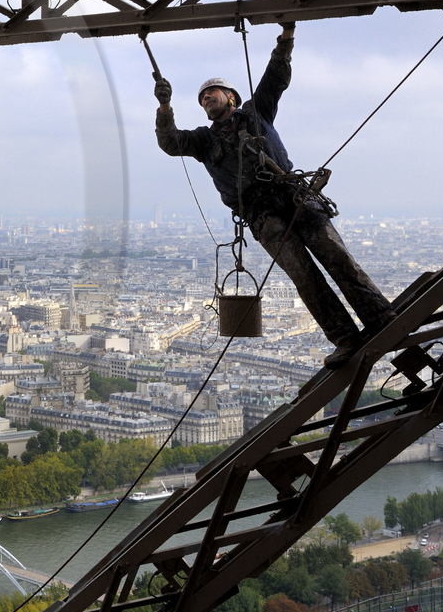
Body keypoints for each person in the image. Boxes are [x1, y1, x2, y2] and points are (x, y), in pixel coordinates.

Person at [153, 22, 394, 366]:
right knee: (305, 277)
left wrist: (286, 37)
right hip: (264, 215)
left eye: (213, 93)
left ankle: (381, 319)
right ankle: (346, 338)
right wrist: (165, 107)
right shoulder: (204, 141)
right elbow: (170, 142)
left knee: (339, 260)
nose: (207, 98)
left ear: (231, 98)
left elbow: (275, 76)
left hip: (294, 199)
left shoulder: (256, 112)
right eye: (203, 98)